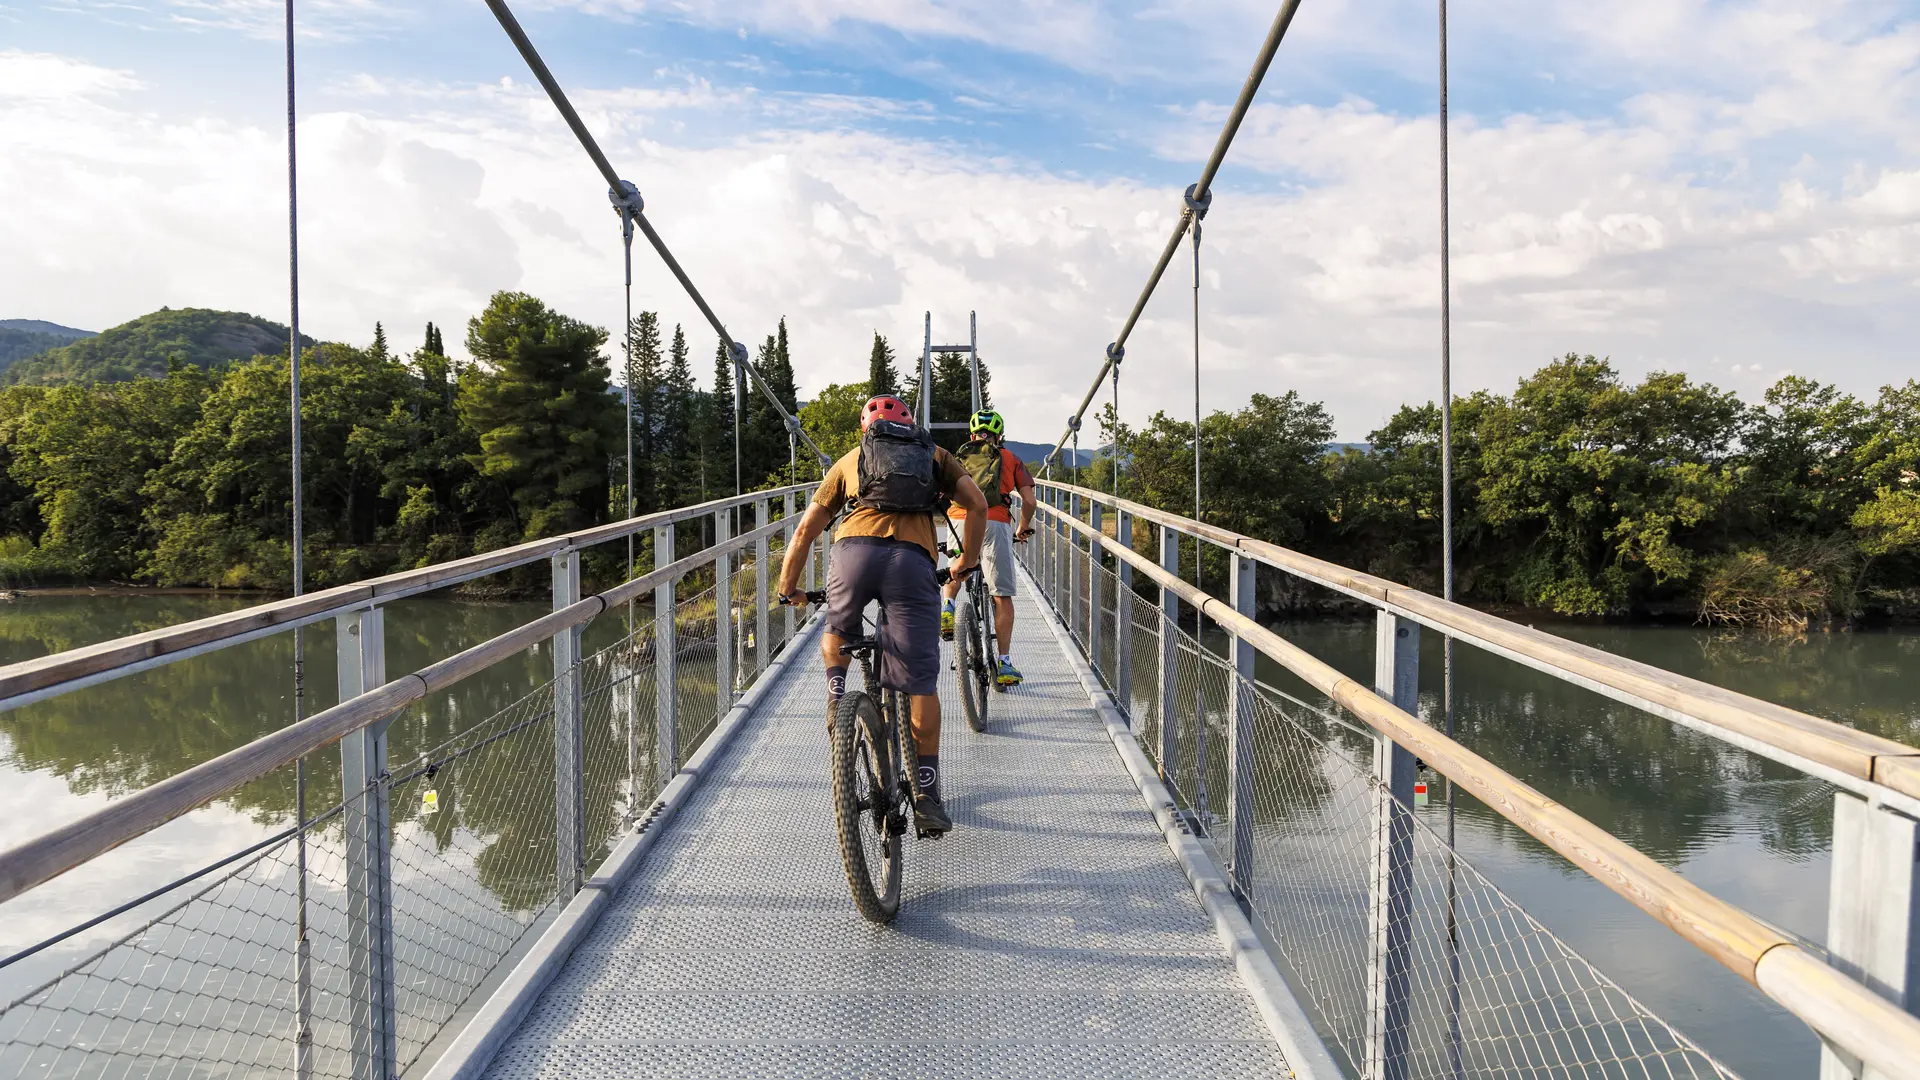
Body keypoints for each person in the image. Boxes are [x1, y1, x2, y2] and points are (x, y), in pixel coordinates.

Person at [777, 394, 987, 836]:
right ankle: (927, 795)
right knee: (919, 684)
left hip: (853, 555)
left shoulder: (850, 461)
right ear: (911, 427)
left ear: (864, 430)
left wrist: (787, 588)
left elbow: (804, 532)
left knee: (838, 626)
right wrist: (965, 561)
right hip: (913, 564)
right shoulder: (935, 454)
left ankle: (837, 693)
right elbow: (979, 506)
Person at [939, 409, 1036, 687]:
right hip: (995, 524)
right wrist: (1023, 526)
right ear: (999, 435)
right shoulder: (1011, 459)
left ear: (972, 436)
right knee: (1002, 595)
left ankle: (947, 608)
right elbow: (1029, 502)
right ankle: (1004, 663)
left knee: (956, 571)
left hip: (960, 520)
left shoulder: (958, 458)